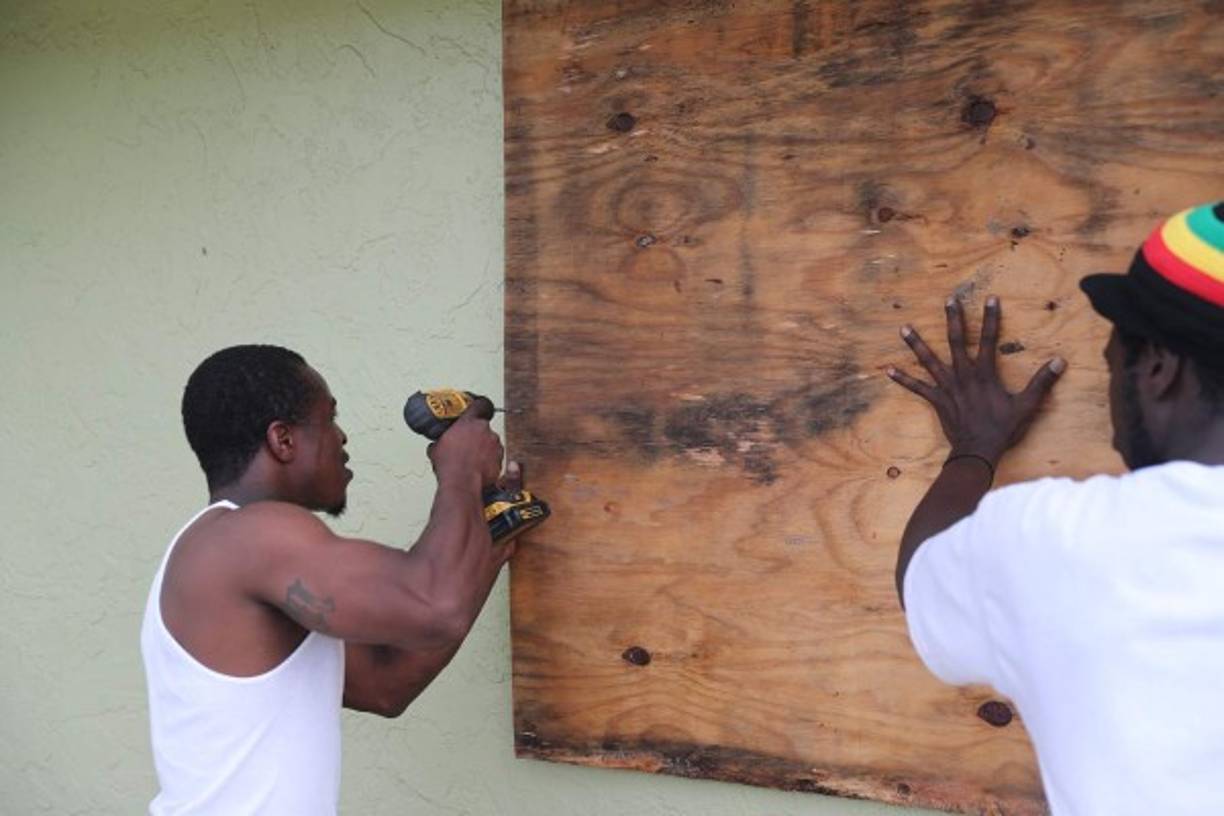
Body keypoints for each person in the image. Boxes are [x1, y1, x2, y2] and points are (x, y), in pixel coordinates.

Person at [887, 201, 1224, 814]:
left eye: (1112, 360)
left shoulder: (1057, 543)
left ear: (1158, 367)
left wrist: (975, 447)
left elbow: (923, 575)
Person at [140, 344, 517, 815]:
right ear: (283, 441)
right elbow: (436, 605)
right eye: (328, 420)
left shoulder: (223, 550)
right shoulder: (252, 536)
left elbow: (385, 684)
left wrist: (488, 541)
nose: (341, 438)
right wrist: (459, 469)